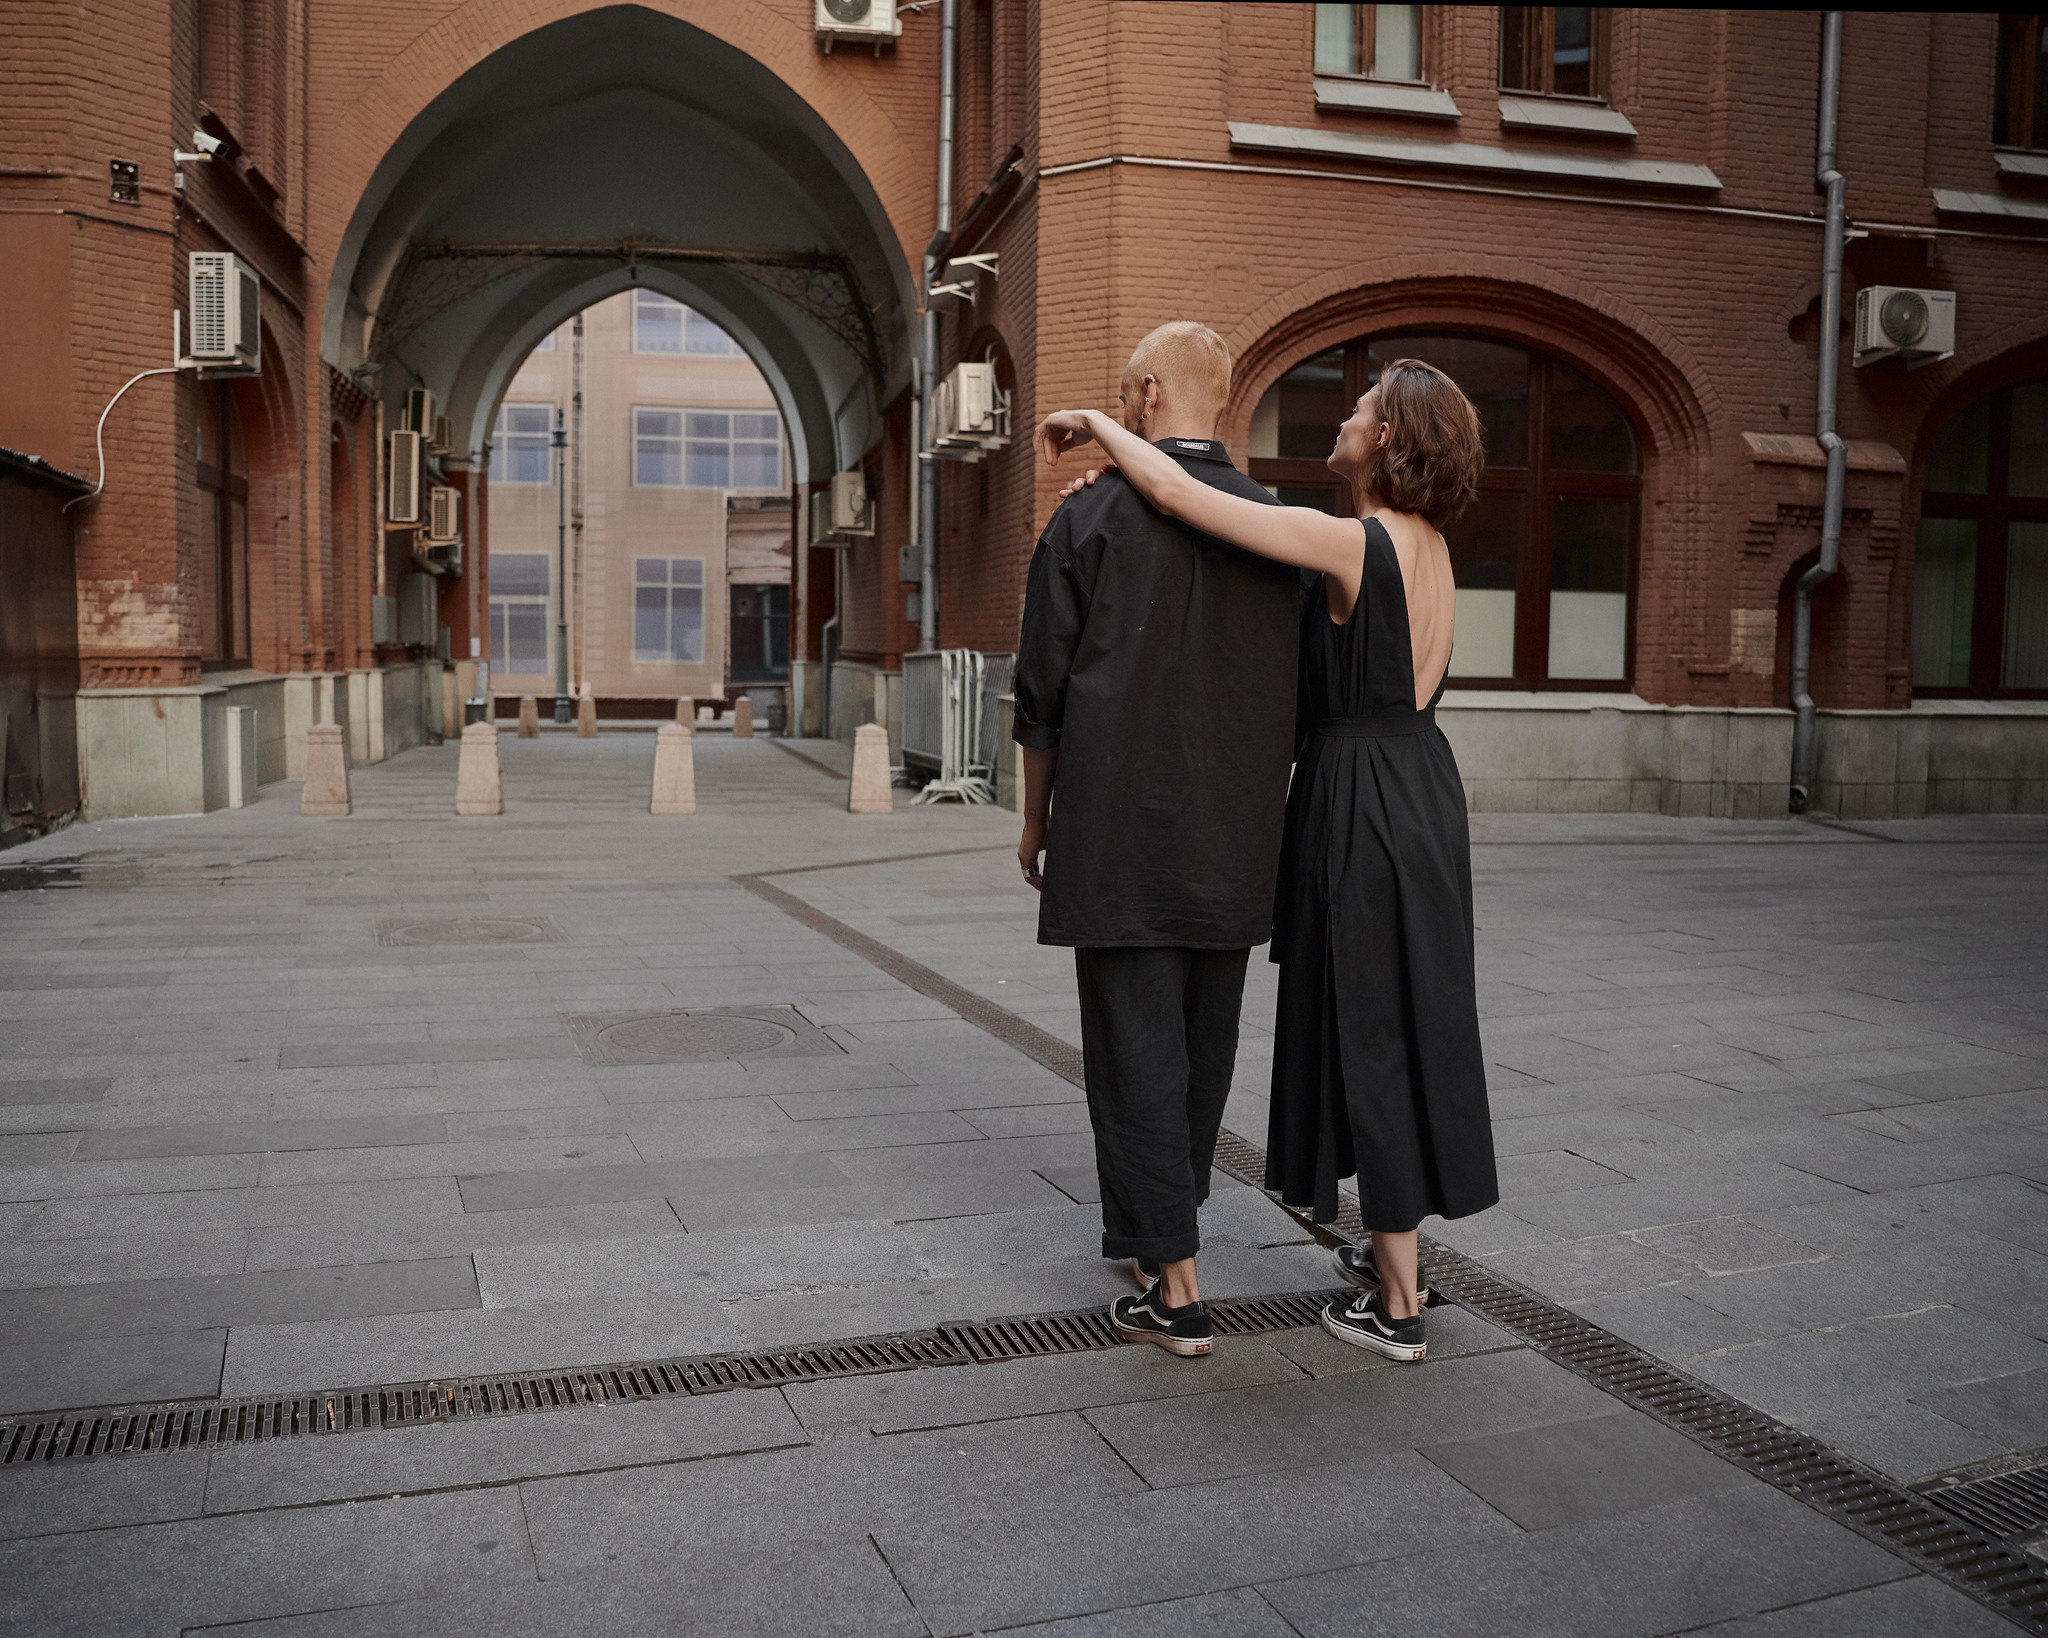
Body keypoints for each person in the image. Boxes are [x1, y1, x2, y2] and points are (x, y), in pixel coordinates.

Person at [1037, 358, 1500, 1363]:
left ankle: (1399, 1306)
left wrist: (1094, 435)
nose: (1345, 416)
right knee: (1402, 1020)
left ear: (1386, 440)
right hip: (1423, 784)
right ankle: (1393, 1267)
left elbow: (1172, 489)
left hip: (1356, 797)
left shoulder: (1348, 542)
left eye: (1362, 409)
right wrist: (1114, 471)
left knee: (1366, 1031)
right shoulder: (1428, 546)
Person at [1012, 322, 1300, 1358]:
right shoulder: (1278, 524)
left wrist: (1033, 817)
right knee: (1201, 1047)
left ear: (1140, 393)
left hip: (1114, 825)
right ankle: (1150, 1234)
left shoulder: (1085, 521)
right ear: (1218, 400)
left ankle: (1173, 1286)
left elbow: (1039, 689)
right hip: (1235, 831)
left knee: (1132, 1048)